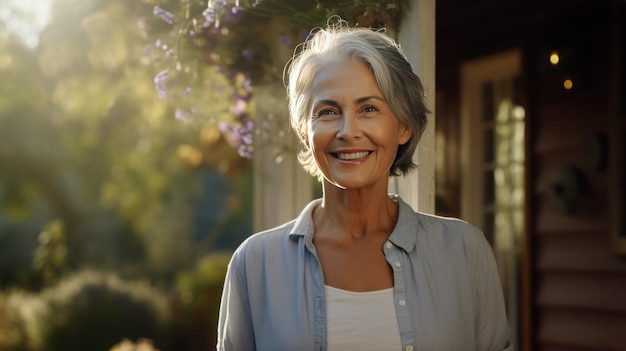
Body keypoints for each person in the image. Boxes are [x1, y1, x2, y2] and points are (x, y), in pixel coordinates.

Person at [217, 18, 512, 351]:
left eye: (369, 108)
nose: (348, 131)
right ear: (304, 132)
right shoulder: (255, 263)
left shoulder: (465, 252)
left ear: (404, 127)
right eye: (328, 112)